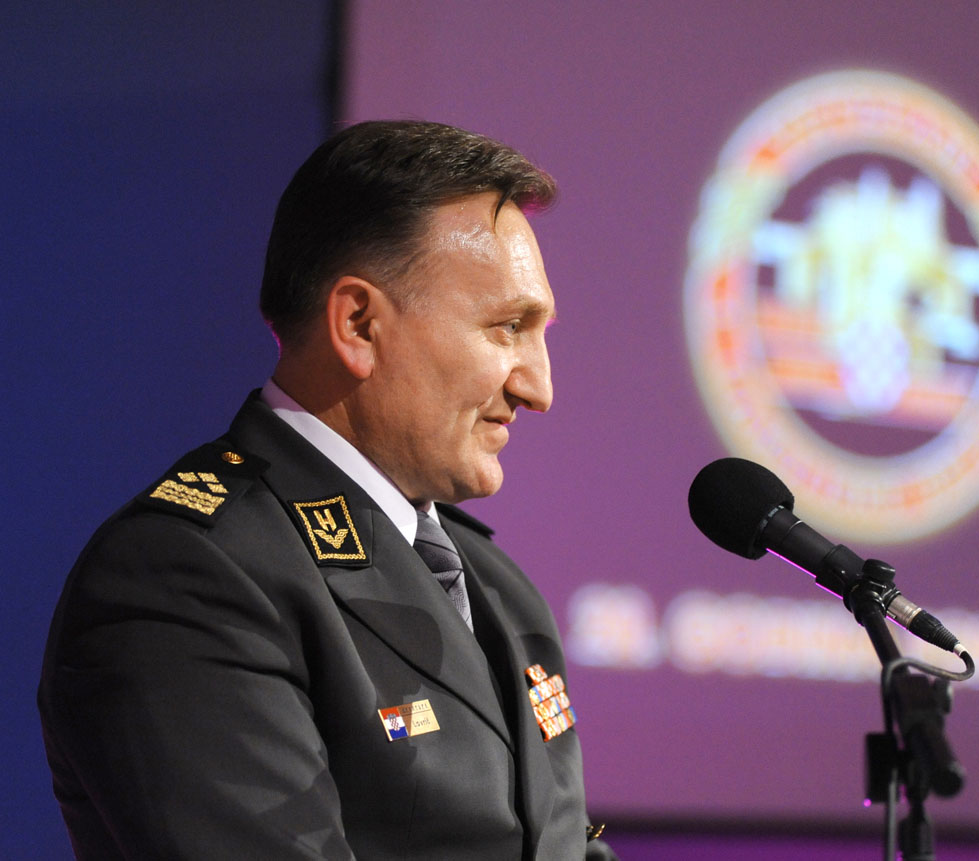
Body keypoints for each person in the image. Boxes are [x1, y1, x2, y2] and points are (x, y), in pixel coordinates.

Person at [39, 120, 616, 860]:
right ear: (358, 324)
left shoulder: (500, 588)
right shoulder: (186, 575)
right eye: (508, 327)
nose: (539, 387)